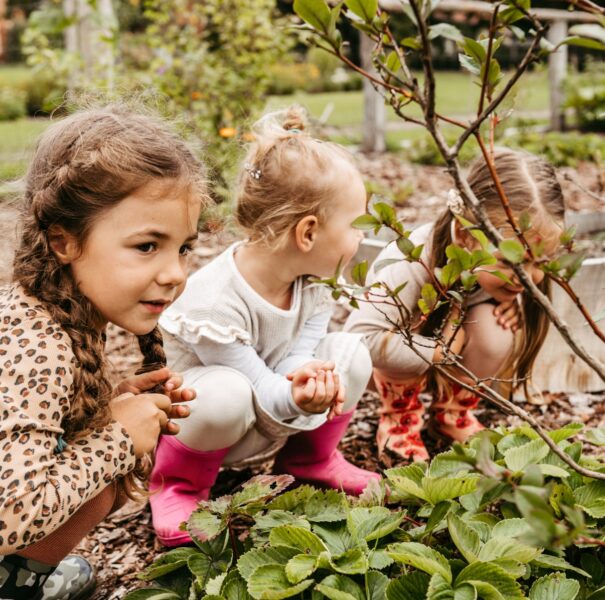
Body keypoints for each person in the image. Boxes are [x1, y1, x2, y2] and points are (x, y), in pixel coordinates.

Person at [0, 105, 208, 599]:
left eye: (183, 247)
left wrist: (112, 404)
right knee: (106, 473)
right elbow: (11, 513)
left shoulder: (59, 308)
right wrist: (116, 437)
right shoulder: (38, 343)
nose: (176, 272)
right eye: (146, 246)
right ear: (64, 242)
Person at [150, 106, 379, 547]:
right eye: (356, 225)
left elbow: (299, 354)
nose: (360, 239)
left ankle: (310, 459)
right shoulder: (215, 302)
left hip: (273, 411)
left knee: (349, 352)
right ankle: (177, 485)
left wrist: (308, 377)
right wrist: (297, 395)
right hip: (212, 428)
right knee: (225, 391)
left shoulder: (313, 283)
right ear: (308, 233)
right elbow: (254, 387)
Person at [345, 149, 565, 462]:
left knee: (496, 328)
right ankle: (399, 420)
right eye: (510, 262)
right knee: (405, 330)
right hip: (381, 362)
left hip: (446, 348)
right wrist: (436, 352)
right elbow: (359, 338)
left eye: (539, 262)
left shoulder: (496, 267)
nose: (525, 279)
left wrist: (505, 299)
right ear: (464, 235)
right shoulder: (412, 262)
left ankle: (452, 413)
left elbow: (503, 280)